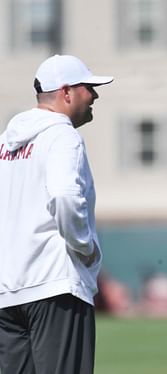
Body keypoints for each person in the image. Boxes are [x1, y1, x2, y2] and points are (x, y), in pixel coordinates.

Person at [0, 54, 113, 374]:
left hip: (8, 292)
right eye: (88, 87)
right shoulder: (63, 136)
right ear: (66, 93)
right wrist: (85, 247)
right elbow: (64, 196)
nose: (95, 95)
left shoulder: (5, 144)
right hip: (56, 285)